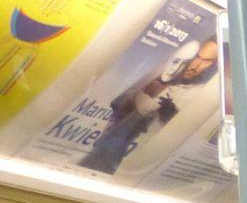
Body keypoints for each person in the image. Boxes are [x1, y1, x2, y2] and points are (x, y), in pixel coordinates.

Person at [78, 34, 217, 176]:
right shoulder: (156, 74)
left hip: (134, 167)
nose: (195, 66)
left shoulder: (200, 95)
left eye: (206, 61)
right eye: (197, 57)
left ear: (214, 65)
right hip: (102, 152)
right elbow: (117, 107)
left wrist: (170, 118)